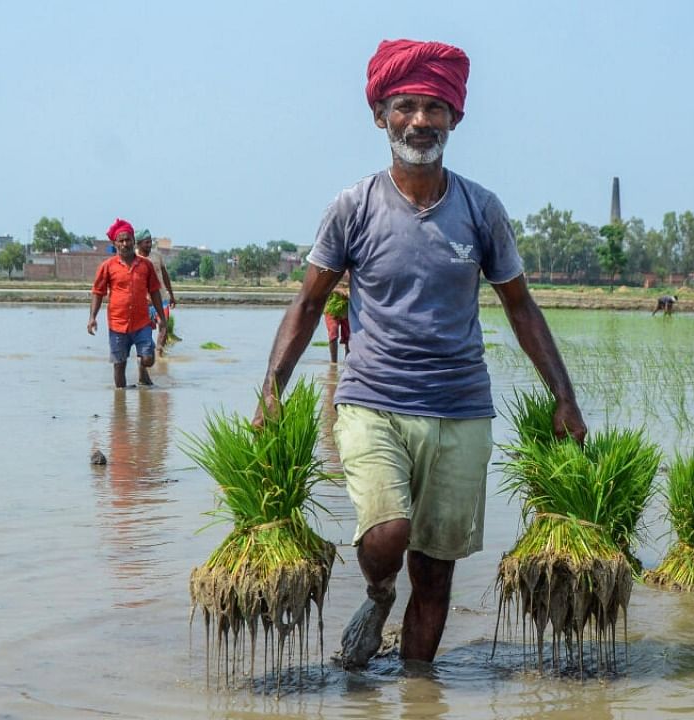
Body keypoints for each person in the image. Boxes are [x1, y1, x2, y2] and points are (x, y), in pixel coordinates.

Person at [251, 38, 587, 670]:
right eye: (406, 105)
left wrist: (563, 397)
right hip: (373, 401)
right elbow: (306, 302)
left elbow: (521, 307)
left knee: (434, 575)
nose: (420, 121)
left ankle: (417, 693)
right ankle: (378, 593)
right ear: (381, 115)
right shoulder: (353, 207)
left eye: (435, 108)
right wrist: (272, 387)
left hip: (461, 408)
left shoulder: (480, 210)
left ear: (455, 118)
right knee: (387, 534)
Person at [88, 219, 166, 388]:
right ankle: (120, 407)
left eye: (128, 239)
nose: (125, 243)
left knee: (148, 359)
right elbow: (98, 292)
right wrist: (92, 317)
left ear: (133, 241)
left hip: (141, 323)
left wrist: (161, 317)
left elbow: (154, 291)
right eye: (121, 241)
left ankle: (142, 365)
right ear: (115, 244)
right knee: (119, 366)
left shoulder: (145, 265)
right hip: (118, 325)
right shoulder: (107, 266)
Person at [136, 229, 177, 356]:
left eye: (150, 242)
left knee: (163, 325)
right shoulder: (134, 258)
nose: (149, 245)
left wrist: (171, 295)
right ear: (138, 244)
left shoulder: (157, 256)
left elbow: (165, 275)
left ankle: (159, 351)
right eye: (146, 242)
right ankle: (147, 353)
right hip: (144, 302)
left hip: (162, 298)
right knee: (145, 331)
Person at [323, 273, 351, 364]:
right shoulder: (333, 269)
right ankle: (333, 363)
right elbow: (325, 286)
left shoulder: (353, 270)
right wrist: (338, 290)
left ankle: (348, 362)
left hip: (347, 309)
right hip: (332, 307)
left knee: (348, 336)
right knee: (333, 332)